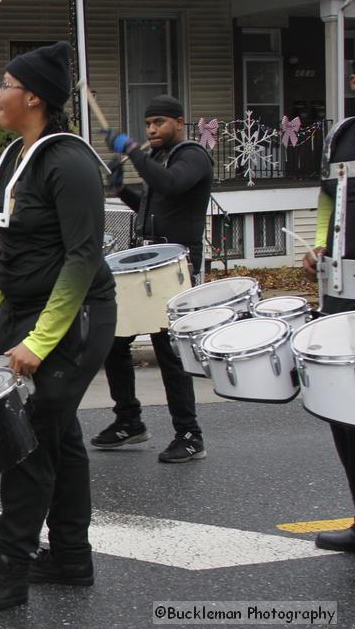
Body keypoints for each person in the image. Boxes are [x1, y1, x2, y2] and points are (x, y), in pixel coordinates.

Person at [0, 42, 116, 614]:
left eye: (5, 84)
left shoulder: (69, 162)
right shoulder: (17, 157)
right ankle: (71, 557)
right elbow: (4, 246)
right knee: (60, 436)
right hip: (25, 313)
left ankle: (9, 571)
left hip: (75, 318)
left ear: (35, 96)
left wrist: (39, 341)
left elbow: (82, 257)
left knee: (29, 442)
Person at [93, 94, 213, 463]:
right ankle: (129, 420)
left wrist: (132, 150)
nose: (151, 130)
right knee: (114, 339)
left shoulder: (191, 155)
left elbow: (173, 186)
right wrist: (121, 189)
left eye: (158, 123)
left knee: (168, 351)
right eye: (147, 125)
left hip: (174, 265)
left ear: (179, 122)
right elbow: (149, 204)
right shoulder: (160, 159)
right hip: (147, 260)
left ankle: (190, 434)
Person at [302, 52, 355, 561]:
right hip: (342, 289)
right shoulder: (343, 133)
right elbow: (328, 197)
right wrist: (322, 244)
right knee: (346, 411)